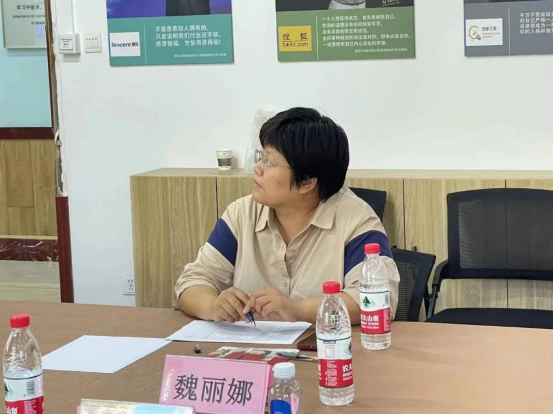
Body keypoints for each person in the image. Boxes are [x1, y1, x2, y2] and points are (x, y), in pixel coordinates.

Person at [175, 108, 400, 325]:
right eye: (260, 156)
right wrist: (213, 305)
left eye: (269, 162)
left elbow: (377, 301)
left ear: (307, 182)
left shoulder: (357, 221)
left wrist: (298, 310)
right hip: (251, 348)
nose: (257, 168)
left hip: (329, 348)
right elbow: (192, 281)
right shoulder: (242, 214)